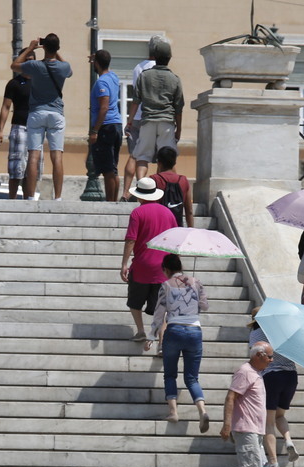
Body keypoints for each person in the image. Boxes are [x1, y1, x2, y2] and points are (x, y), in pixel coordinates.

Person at [201, 341, 275, 467]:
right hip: (246, 427)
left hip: (254, 429)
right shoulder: (245, 371)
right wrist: (226, 424)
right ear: (258, 355)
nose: (271, 360)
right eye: (270, 356)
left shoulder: (255, 373)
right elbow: (231, 397)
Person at [145, 254, 210, 431]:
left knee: (170, 374)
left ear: (165, 269)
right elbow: (205, 306)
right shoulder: (196, 282)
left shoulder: (165, 286)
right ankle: (202, 410)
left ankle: (173, 412)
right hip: (194, 331)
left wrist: (151, 336)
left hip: (173, 331)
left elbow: (159, 313)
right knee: (192, 378)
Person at [12, 34, 73, 200]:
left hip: (37, 112)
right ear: (58, 48)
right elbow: (69, 70)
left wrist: (31, 48)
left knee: (34, 154)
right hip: (56, 113)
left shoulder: (34, 65)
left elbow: (14, 65)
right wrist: (55, 50)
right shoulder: (64, 67)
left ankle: (30, 196)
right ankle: (58, 197)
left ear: (44, 47)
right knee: (57, 155)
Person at [121, 177, 177, 342]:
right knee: (163, 307)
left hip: (142, 266)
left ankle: (140, 331)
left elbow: (131, 239)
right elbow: (175, 239)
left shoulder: (137, 212)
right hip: (164, 268)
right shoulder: (168, 212)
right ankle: (161, 341)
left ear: (139, 195)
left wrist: (124, 263)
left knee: (134, 302)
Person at [249, 309, 300, 467]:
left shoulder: (256, 333)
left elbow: (254, 359)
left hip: (271, 377)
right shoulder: (285, 330)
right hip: (291, 376)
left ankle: (273, 463)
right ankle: (288, 440)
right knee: (280, 415)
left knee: (268, 422)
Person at [132, 37, 183, 183]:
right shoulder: (175, 79)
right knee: (167, 159)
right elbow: (178, 107)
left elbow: (136, 101)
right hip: (166, 122)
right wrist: (178, 129)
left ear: (154, 56)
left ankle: (142, 187)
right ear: (169, 58)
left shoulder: (144, 76)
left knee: (142, 157)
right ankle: (166, 188)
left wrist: (129, 121)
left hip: (148, 120)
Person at [0, 55, 42, 199]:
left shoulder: (40, 82)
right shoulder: (14, 83)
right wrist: (0, 131)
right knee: (16, 167)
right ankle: (12, 199)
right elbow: (6, 106)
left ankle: (29, 199)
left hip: (36, 130)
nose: (29, 62)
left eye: (32, 59)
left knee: (32, 169)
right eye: (26, 59)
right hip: (19, 128)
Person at [122, 42, 157, 199]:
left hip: (136, 116)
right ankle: (142, 192)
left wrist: (129, 119)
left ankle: (125, 193)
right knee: (146, 158)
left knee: (134, 155)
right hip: (152, 116)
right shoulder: (158, 67)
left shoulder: (138, 67)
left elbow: (136, 95)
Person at [88, 49, 123, 202]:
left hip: (106, 127)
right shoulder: (113, 77)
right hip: (116, 125)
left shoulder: (102, 82)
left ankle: (110, 203)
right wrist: (97, 59)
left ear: (96, 63)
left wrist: (95, 130)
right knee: (113, 169)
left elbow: (104, 106)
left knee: (108, 170)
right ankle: (113, 201)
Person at [150, 146, 193, 228]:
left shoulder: (154, 179)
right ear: (174, 163)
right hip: (177, 228)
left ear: (159, 162)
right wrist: (190, 229)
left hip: (159, 228)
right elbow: (189, 211)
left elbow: (150, 208)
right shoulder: (183, 180)